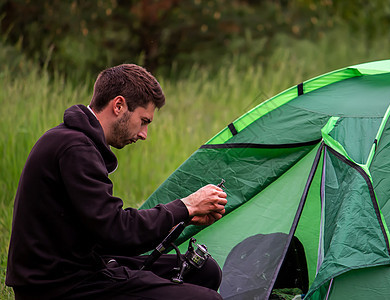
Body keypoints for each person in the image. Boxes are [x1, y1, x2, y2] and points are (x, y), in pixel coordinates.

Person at [6, 64, 227, 299]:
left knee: (204, 270)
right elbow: (117, 231)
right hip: (58, 285)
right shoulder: (76, 149)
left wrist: (183, 217)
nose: (144, 134)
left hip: (82, 263)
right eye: (143, 121)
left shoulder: (74, 141)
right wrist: (186, 206)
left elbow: (106, 232)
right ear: (119, 105)